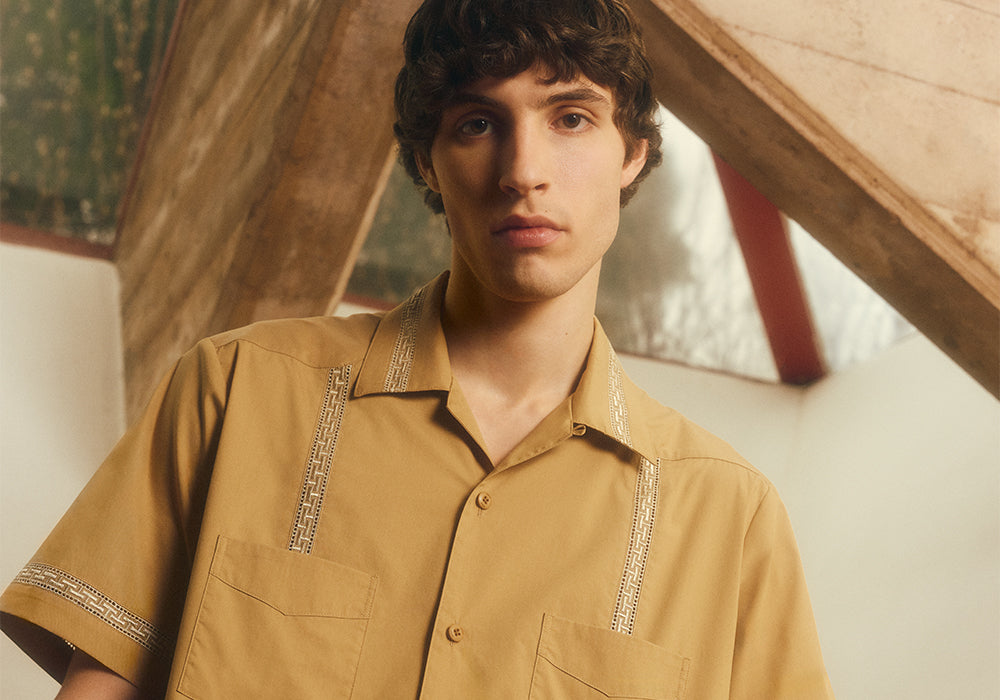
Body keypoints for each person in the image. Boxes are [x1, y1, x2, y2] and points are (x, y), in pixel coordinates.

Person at [1, 0, 835, 697]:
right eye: (477, 123)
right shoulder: (237, 388)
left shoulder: (731, 519)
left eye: (572, 117)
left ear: (633, 154)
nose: (524, 170)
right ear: (427, 164)